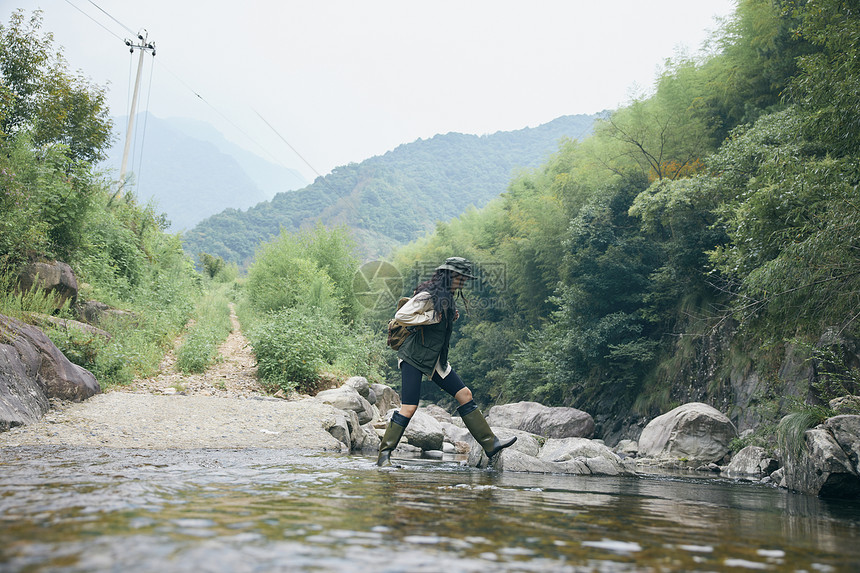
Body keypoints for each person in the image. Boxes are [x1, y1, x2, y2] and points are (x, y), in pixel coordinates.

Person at [377, 256, 517, 466]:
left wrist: (449, 316)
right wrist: (432, 317)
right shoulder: (428, 294)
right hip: (413, 357)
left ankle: (491, 444)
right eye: (461, 277)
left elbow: (438, 324)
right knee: (409, 408)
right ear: (450, 275)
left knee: (465, 395)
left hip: (435, 359)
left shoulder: (446, 296)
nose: (464, 281)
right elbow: (401, 315)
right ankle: (384, 456)